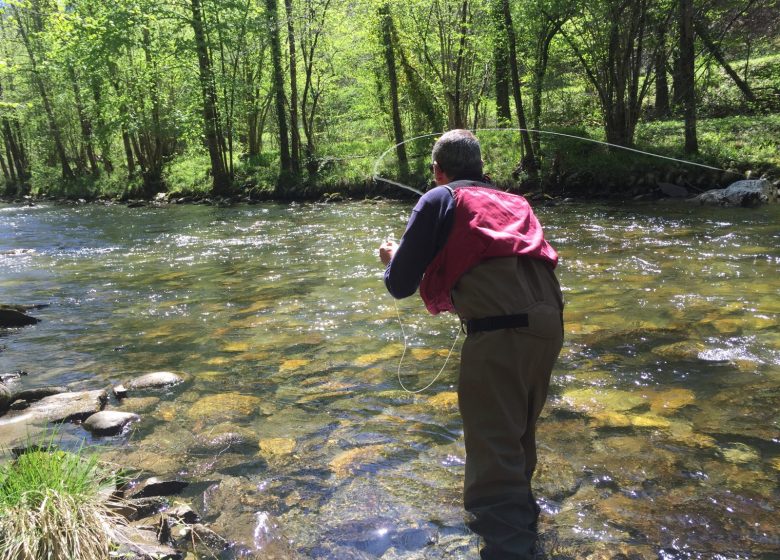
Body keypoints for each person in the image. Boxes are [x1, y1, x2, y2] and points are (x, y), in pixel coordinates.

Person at [378, 129, 564, 559]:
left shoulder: (438, 198)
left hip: (502, 328)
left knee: (493, 456)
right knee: (517, 437)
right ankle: (524, 532)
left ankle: (509, 547)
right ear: (481, 168)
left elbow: (401, 284)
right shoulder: (514, 202)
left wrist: (391, 258)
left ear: (438, 170)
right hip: (548, 321)